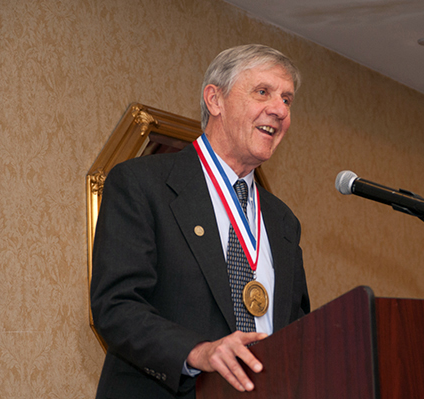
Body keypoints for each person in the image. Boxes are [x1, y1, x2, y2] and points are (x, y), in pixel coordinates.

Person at [90, 44, 310, 399]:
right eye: (263, 92)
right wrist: (198, 352)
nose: (280, 109)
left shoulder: (283, 220)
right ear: (215, 100)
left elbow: (297, 330)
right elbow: (116, 307)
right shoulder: (142, 184)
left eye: (287, 99)